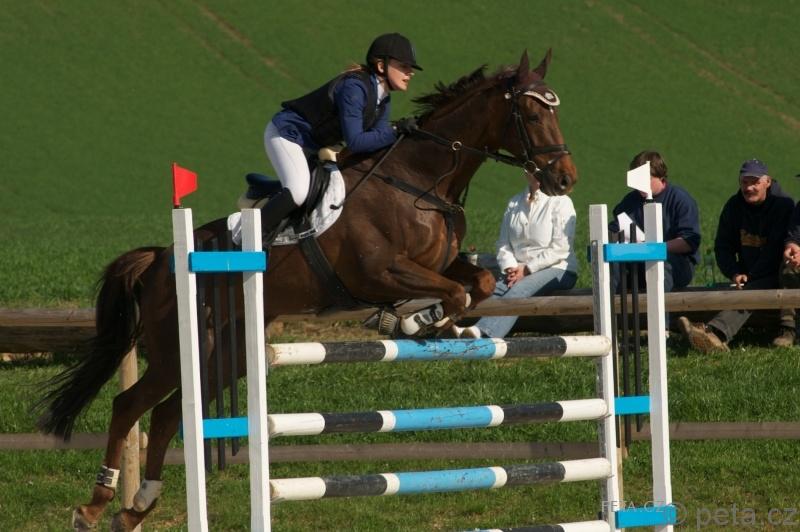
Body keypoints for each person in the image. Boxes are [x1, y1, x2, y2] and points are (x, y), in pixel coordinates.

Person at [260, 33, 421, 235]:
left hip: (312, 145)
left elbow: (378, 138)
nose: (410, 72)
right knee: (299, 192)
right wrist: (396, 130)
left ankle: (275, 211)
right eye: (404, 66)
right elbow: (356, 142)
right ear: (381, 66)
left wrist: (403, 135)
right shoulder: (354, 87)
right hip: (288, 135)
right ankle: (245, 240)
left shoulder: (383, 99)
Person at [678, 159, 795, 352]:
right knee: (726, 292)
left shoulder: (783, 206)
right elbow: (723, 247)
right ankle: (680, 326)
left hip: (780, 275)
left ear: (767, 182)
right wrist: (734, 272)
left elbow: (774, 251)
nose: (749, 188)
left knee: (753, 292)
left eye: (754, 182)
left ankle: (715, 334)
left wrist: (751, 277)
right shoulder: (734, 207)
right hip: (748, 277)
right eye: (744, 182)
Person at [453, 171, 577, 338]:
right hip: (517, 270)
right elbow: (503, 244)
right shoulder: (514, 202)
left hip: (558, 268)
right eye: (532, 168)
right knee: (494, 291)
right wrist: (511, 268)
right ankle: (460, 328)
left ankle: (485, 333)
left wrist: (527, 269)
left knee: (519, 290)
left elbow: (560, 249)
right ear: (526, 171)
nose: (537, 173)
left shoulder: (561, 201)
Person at [608, 150, 701, 292]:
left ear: (660, 176)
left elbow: (688, 242)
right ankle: (610, 304)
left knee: (659, 264)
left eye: (646, 179)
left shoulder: (680, 199)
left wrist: (655, 248)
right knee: (612, 263)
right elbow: (615, 229)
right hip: (638, 260)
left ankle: (659, 306)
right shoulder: (630, 201)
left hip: (676, 262)